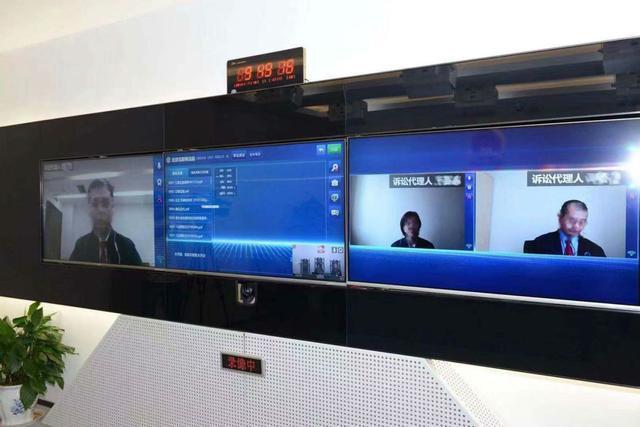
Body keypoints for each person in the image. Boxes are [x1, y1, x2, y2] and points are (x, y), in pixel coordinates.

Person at [69, 179, 143, 265]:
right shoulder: (81, 245)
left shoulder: (127, 245)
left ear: (112, 206)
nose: (100, 210)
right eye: (95, 204)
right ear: (89, 209)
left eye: (105, 203)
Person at [523, 200, 606, 257]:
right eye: (572, 220)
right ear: (560, 218)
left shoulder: (596, 251)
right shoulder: (538, 244)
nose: (576, 226)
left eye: (581, 222)